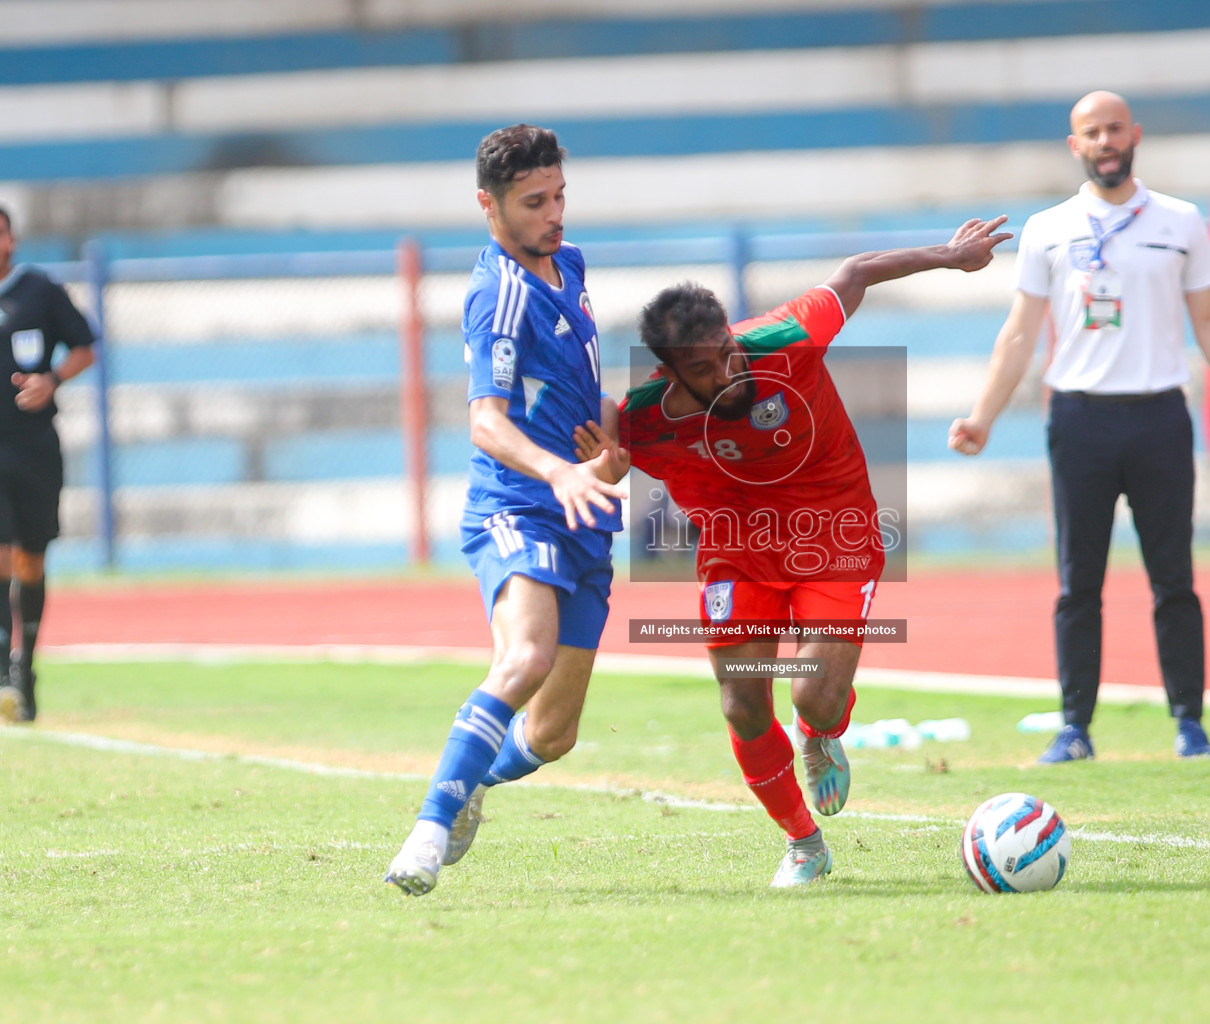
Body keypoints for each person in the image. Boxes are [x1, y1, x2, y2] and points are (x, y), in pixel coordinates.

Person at [578, 217, 1010, 886]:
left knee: (811, 697)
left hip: (835, 536)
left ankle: (822, 730)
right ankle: (804, 843)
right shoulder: (645, 417)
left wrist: (952, 257)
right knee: (742, 705)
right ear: (670, 375)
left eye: (726, 350)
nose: (726, 371)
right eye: (702, 368)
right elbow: (599, 452)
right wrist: (601, 465)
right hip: (736, 555)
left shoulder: (788, 337)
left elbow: (855, 271)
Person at [949, 91, 1210, 764]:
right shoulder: (1048, 229)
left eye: (1115, 128)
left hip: (1158, 416)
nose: (1106, 140)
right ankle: (1074, 727)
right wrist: (982, 417)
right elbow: (1021, 332)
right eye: (1093, 131)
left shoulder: (1179, 220)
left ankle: (1190, 724)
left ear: (1135, 135)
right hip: (1080, 418)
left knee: (1172, 577)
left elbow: (1207, 317)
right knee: (1077, 582)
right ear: (1076, 145)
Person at [384, 125, 626, 895]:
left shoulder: (569, 266)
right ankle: (427, 831)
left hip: (584, 509)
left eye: (560, 195)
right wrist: (560, 471)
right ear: (488, 206)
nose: (555, 214)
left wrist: (614, 446)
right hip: (519, 503)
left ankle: (472, 782)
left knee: (554, 734)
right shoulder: (495, 293)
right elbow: (486, 420)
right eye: (534, 202)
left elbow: (582, 398)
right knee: (524, 658)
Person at [0, 207, 97, 725]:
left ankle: (26, 666)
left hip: (34, 447)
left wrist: (52, 380)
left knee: (31, 561)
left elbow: (86, 345)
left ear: (10, 237)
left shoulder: (40, 291)